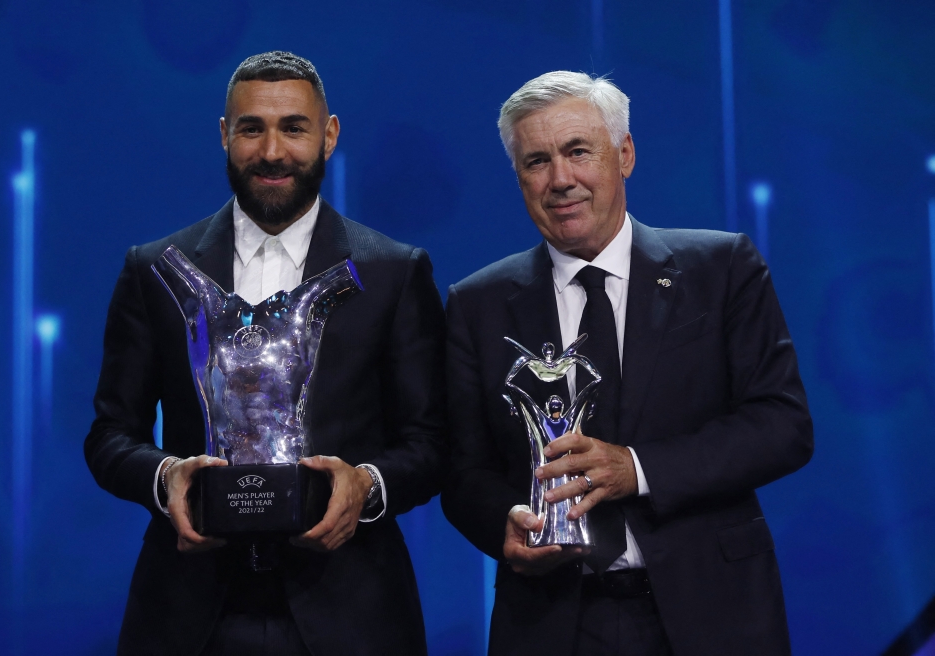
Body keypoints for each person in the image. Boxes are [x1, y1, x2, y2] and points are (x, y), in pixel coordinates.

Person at [85, 51, 446, 656]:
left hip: (353, 615)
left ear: (328, 136)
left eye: (294, 128)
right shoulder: (154, 271)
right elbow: (109, 435)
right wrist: (164, 477)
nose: (273, 151)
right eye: (252, 128)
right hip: (186, 613)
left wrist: (366, 486)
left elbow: (433, 442)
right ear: (225, 136)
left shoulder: (394, 272)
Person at [440, 71, 813, 656]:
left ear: (625, 154)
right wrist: (504, 526)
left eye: (578, 152)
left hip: (714, 613)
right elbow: (463, 473)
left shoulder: (722, 268)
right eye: (537, 161)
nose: (560, 179)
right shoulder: (476, 304)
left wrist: (636, 468)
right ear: (518, 177)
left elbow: (783, 426)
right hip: (551, 621)